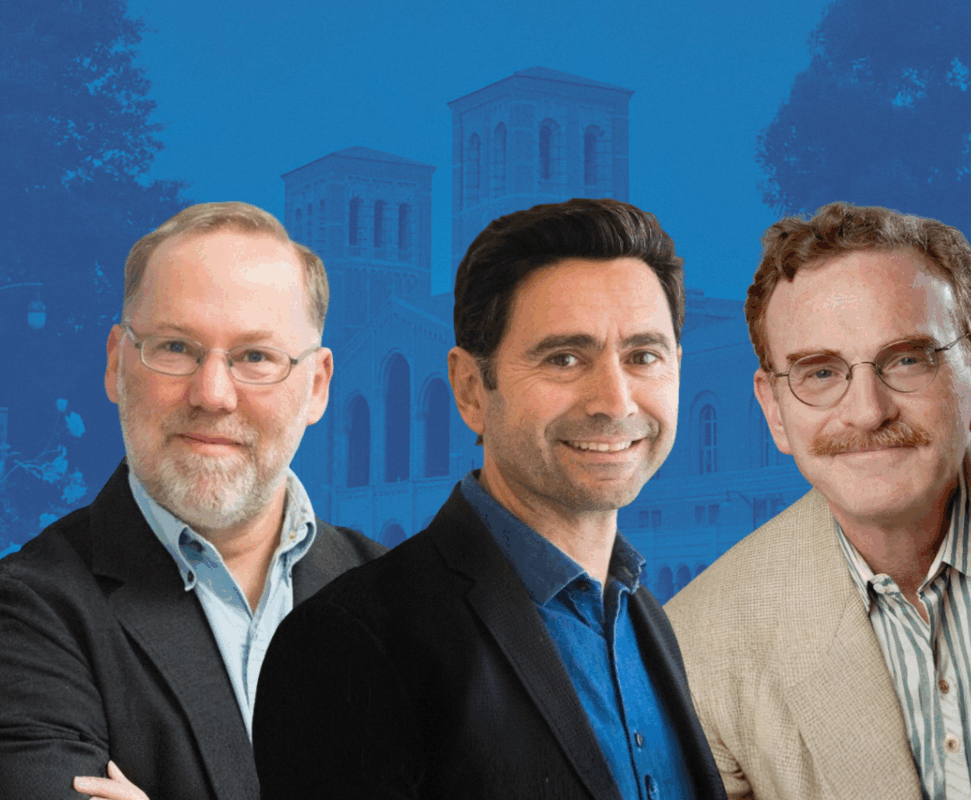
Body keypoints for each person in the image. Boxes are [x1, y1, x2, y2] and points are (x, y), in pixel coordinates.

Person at [252, 198, 727, 799]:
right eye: (564, 358)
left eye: (644, 357)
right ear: (471, 388)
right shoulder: (350, 644)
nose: (616, 400)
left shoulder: (647, 621)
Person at [0, 202, 386, 800]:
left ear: (317, 387)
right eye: (176, 348)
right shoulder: (13, 622)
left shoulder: (402, 600)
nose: (213, 394)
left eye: (256, 357)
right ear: (117, 363)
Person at [666, 201, 971, 800]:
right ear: (774, 411)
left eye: (907, 359)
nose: (868, 412)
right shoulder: (700, 647)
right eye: (819, 372)